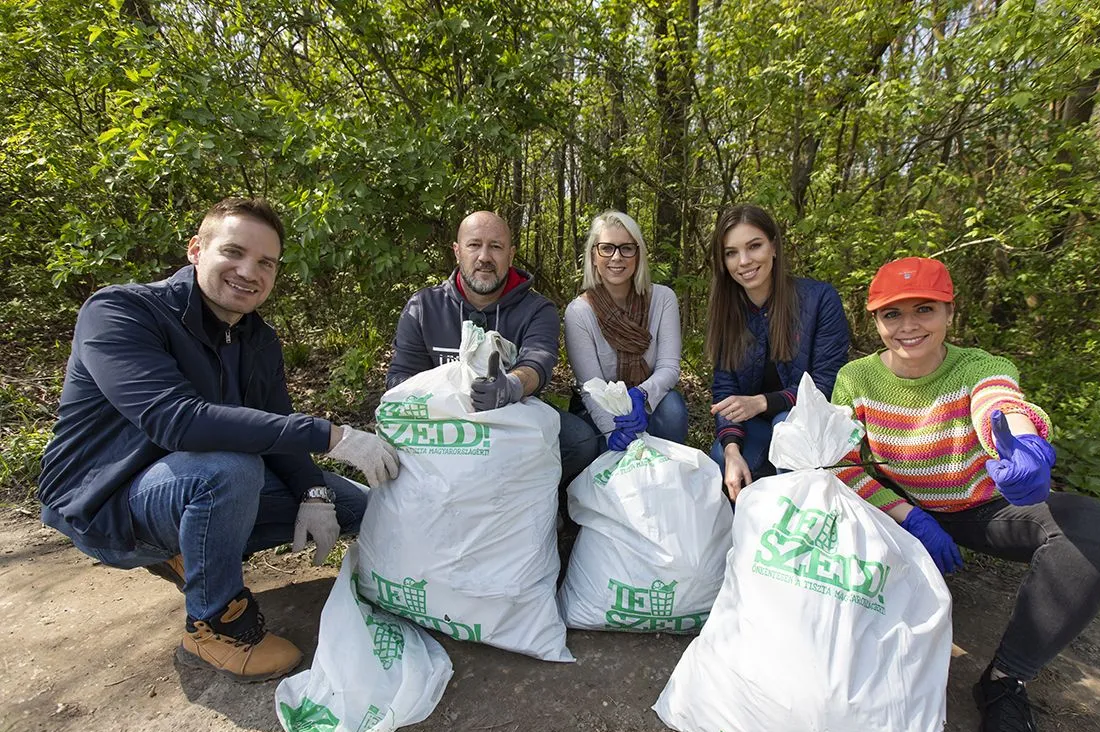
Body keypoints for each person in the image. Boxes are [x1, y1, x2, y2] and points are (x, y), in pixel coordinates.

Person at [38, 197, 401, 683]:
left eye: (265, 263)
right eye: (234, 252)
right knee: (230, 468)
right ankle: (214, 626)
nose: (249, 272)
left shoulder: (258, 338)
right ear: (195, 250)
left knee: (357, 506)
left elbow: (275, 422)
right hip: (109, 502)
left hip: (189, 486)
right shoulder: (121, 312)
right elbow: (176, 421)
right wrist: (331, 435)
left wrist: (314, 493)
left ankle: (191, 549)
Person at [830, 256, 1100, 732]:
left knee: (1095, 534)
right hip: (896, 512)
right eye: (891, 314)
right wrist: (908, 517)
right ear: (874, 321)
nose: (908, 327)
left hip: (979, 506)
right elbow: (841, 465)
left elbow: (1000, 403)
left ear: (949, 311)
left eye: (924, 309)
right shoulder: (855, 378)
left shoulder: (976, 366)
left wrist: (1025, 445)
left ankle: (1004, 681)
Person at [386, 210, 600, 484]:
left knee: (580, 441)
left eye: (495, 247)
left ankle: (537, 497)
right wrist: (453, 399)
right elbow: (399, 379)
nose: (484, 257)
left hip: (514, 422)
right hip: (440, 426)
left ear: (510, 255)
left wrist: (511, 386)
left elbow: (538, 362)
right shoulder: (423, 307)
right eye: (474, 245)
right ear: (457, 251)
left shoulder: (537, 309)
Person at [706, 204, 851, 500]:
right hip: (756, 428)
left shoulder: (819, 299)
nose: (744, 261)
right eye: (731, 252)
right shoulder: (728, 312)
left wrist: (762, 402)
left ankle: (800, 533)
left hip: (807, 428)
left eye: (754, 246)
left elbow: (824, 385)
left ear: (773, 246)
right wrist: (731, 450)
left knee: (787, 425)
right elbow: (726, 390)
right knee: (720, 459)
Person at [565, 210, 687, 451]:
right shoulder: (579, 312)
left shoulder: (663, 299)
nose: (617, 257)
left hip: (648, 400)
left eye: (626, 248)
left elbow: (669, 368)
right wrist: (613, 431)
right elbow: (591, 387)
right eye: (607, 248)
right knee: (593, 448)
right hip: (600, 408)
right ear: (593, 255)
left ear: (638, 254)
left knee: (673, 409)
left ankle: (668, 476)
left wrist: (641, 394)